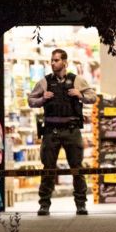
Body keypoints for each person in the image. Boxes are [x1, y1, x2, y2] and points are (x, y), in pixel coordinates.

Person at [27, 49, 97, 216]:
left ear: (65, 62)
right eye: (51, 60)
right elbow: (30, 100)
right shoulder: (45, 82)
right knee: (48, 169)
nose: (53, 63)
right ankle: (44, 204)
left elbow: (93, 97)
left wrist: (80, 95)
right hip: (51, 131)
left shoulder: (77, 80)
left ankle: (81, 204)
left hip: (71, 131)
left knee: (77, 168)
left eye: (56, 60)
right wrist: (43, 99)